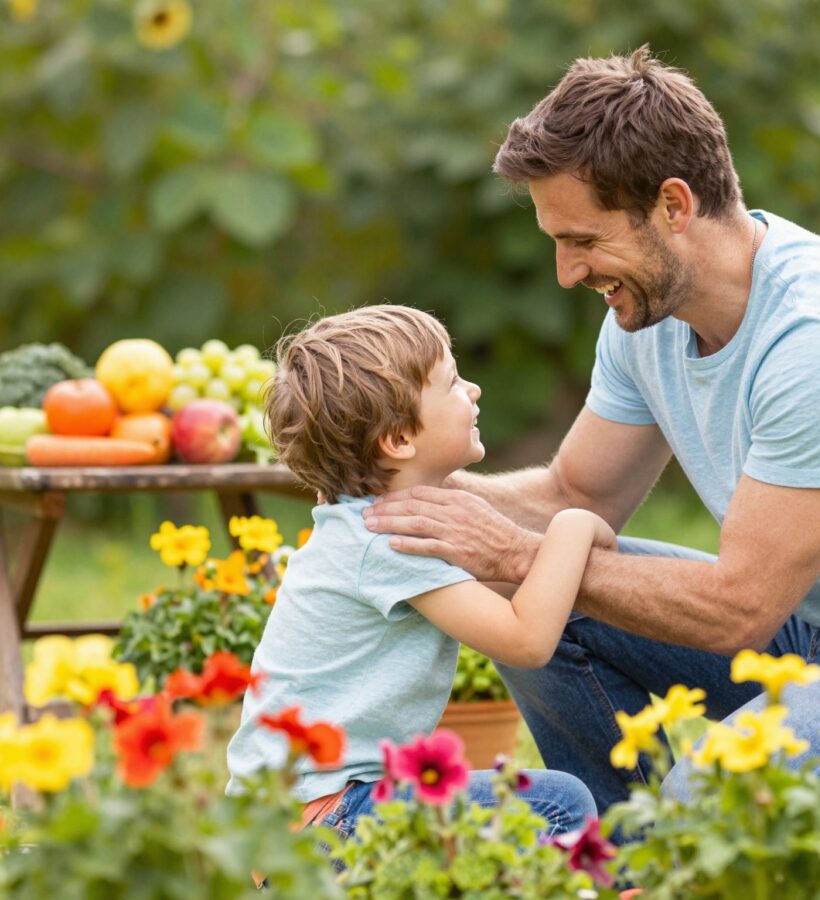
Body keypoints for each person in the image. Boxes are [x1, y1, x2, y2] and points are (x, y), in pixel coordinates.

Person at [362, 47, 820, 899]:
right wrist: (391, 487)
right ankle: (626, 871)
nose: (568, 273)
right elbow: (576, 495)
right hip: (816, 635)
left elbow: (740, 605)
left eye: (583, 241)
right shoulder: (645, 319)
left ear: (673, 206)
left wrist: (517, 554)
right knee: (542, 601)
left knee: (717, 807)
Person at [225, 305, 611, 848]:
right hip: (330, 821)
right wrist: (574, 525)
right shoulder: (388, 540)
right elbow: (527, 639)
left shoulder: (363, 524)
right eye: (452, 382)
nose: (473, 390)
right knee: (557, 804)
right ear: (400, 439)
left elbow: (510, 601)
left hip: (293, 821)